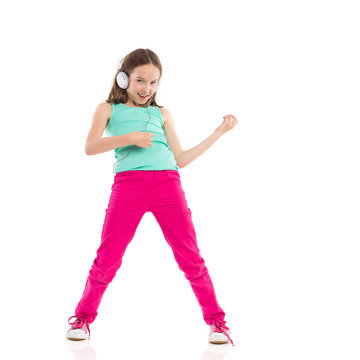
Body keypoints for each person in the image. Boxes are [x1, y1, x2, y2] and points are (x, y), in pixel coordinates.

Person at [65, 48, 238, 345]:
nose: (147, 89)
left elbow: (180, 158)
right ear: (123, 78)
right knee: (108, 258)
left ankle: (217, 323)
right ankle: (82, 318)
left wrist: (219, 132)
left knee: (191, 259)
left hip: (167, 185)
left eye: (154, 82)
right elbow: (90, 146)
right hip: (128, 186)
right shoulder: (107, 109)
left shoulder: (162, 114)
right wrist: (129, 138)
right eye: (140, 81)